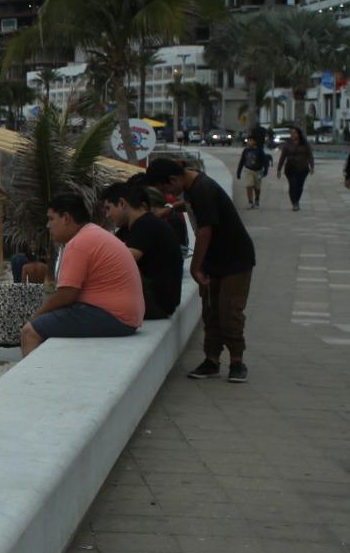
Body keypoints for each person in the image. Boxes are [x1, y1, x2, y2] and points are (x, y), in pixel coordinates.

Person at [147, 158, 256, 382]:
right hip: (213, 259)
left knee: (229, 312)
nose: (168, 193)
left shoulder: (203, 189)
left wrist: (195, 267)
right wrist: (168, 211)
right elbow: (187, 204)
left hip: (235, 259)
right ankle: (212, 360)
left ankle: (237, 362)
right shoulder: (191, 185)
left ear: (173, 179)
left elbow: (205, 231)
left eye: (165, 188)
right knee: (210, 310)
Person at [20, 192, 144, 358]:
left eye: (51, 219)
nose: (48, 225)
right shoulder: (93, 233)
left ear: (66, 218)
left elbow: (66, 296)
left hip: (114, 316)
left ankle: (31, 381)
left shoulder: (78, 243)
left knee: (30, 331)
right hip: (126, 315)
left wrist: (36, 316)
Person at [105, 183, 182, 320]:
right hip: (156, 301)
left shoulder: (146, 224)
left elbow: (122, 262)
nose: (108, 215)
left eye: (108, 208)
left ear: (122, 203)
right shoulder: (130, 227)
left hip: (157, 303)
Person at [275, 126, 314, 212]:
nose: (293, 135)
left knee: (299, 186)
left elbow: (310, 155)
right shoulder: (287, 144)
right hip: (290, 168)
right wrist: (279, 169)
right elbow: (282, 157)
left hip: (302, 169)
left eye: (295, 133)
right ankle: (295, 203)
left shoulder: (305, 144)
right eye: (291, 133)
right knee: (292, 185)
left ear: (299, 134)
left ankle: (297, 201)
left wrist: (312, 166)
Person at [236, 135, 270, 210]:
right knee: (249, 185)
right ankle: (250, 202)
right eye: (248, 140)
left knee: (257, 187)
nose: (249, 142)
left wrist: (266, 170)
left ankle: (257, 199)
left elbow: (265, 161)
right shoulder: (246, 150)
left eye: (251, 140)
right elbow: (242, 161)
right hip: (248, 170)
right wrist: (238, 172)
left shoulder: (259, 150)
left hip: (258, 171)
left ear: (255, 142)